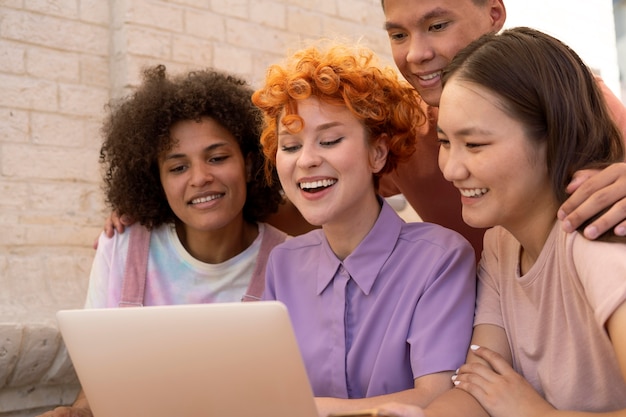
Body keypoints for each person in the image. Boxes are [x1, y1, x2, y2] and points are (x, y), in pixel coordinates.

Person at [376, 27, 626, 417]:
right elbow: (479, 387)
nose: (451, 169)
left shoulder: (598, 239)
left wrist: (536, 414)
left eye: (474, 144)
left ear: (553, 136)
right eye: (445, 142)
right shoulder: (499, 244)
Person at [38, 65, 287, 417]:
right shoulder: (122, 248)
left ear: (248, 164)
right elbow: (97, 383)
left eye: (217, 158)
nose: (200, 177)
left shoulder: (291, 261)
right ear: (157, 180)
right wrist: (75, 412)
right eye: (177, 167)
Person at [251, 41, 477, 417]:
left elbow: (436, 397)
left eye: (330, 140)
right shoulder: (283, 263)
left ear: (378, 153)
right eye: (290, 146)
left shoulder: (441, 259)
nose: (306, 160)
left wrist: (309, 408)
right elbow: (267, 391)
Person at [379, 0, 626, 255]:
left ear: (494, 14)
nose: (415, 54)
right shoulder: (401, 129)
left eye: (438, 26)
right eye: (398, 35)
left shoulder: (576, 101)